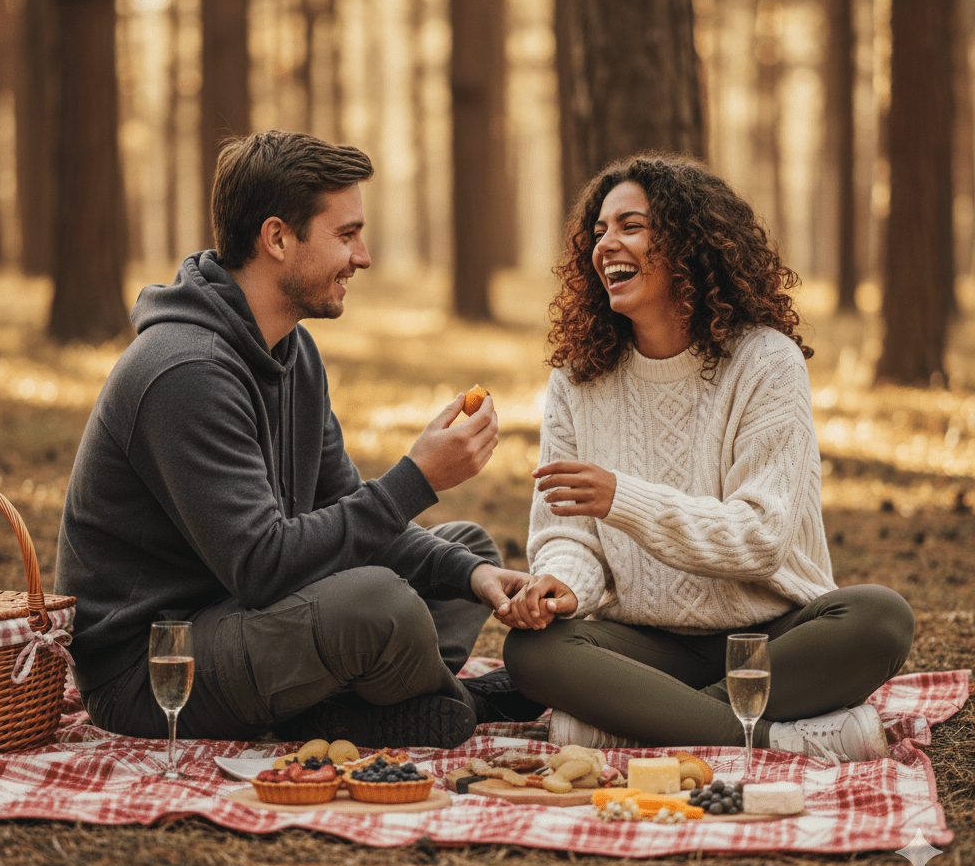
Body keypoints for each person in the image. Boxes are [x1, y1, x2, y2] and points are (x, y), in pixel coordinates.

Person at [55, 131, 541, 748]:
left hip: (248, 620)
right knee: (379, 603)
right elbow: (261, 566)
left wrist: (476, 578)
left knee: (463, 550)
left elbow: (338, 505)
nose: (362, 257)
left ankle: (341, 708)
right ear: (278, 237)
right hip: (156, 671)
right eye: (346, 235)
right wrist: (416, 478)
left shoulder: (293, 353)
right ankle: (459, 700)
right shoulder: (186, 371)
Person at [501, 153, 914, 761]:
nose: (606, 244)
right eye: (598, 232)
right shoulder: (577, 380)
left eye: (631, 226)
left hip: (771, 638)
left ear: (689, 243)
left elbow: (763, 536)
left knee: (881, 619)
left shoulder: (765, 362)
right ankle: (775, 737)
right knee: (531, 651)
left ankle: (639, 719)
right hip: (645, 643)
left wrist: (625, 498)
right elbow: (567, 535)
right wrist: (562, 584)